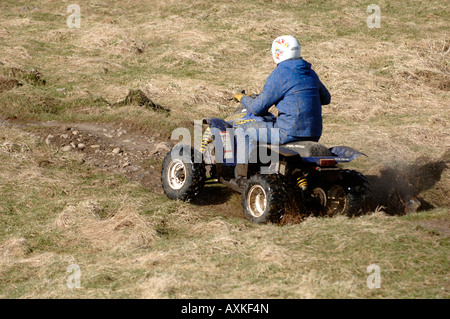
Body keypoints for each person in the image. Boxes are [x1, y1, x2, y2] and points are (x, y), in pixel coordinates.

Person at [233, 35, 331, 145]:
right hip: (314, 134)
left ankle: (248, 162)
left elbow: (257, 108)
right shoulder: (310, 73)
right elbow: (326, 99)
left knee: (242, 129)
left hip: (288, 133)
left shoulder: (281, 73)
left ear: (277, 53)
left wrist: (242, 98)